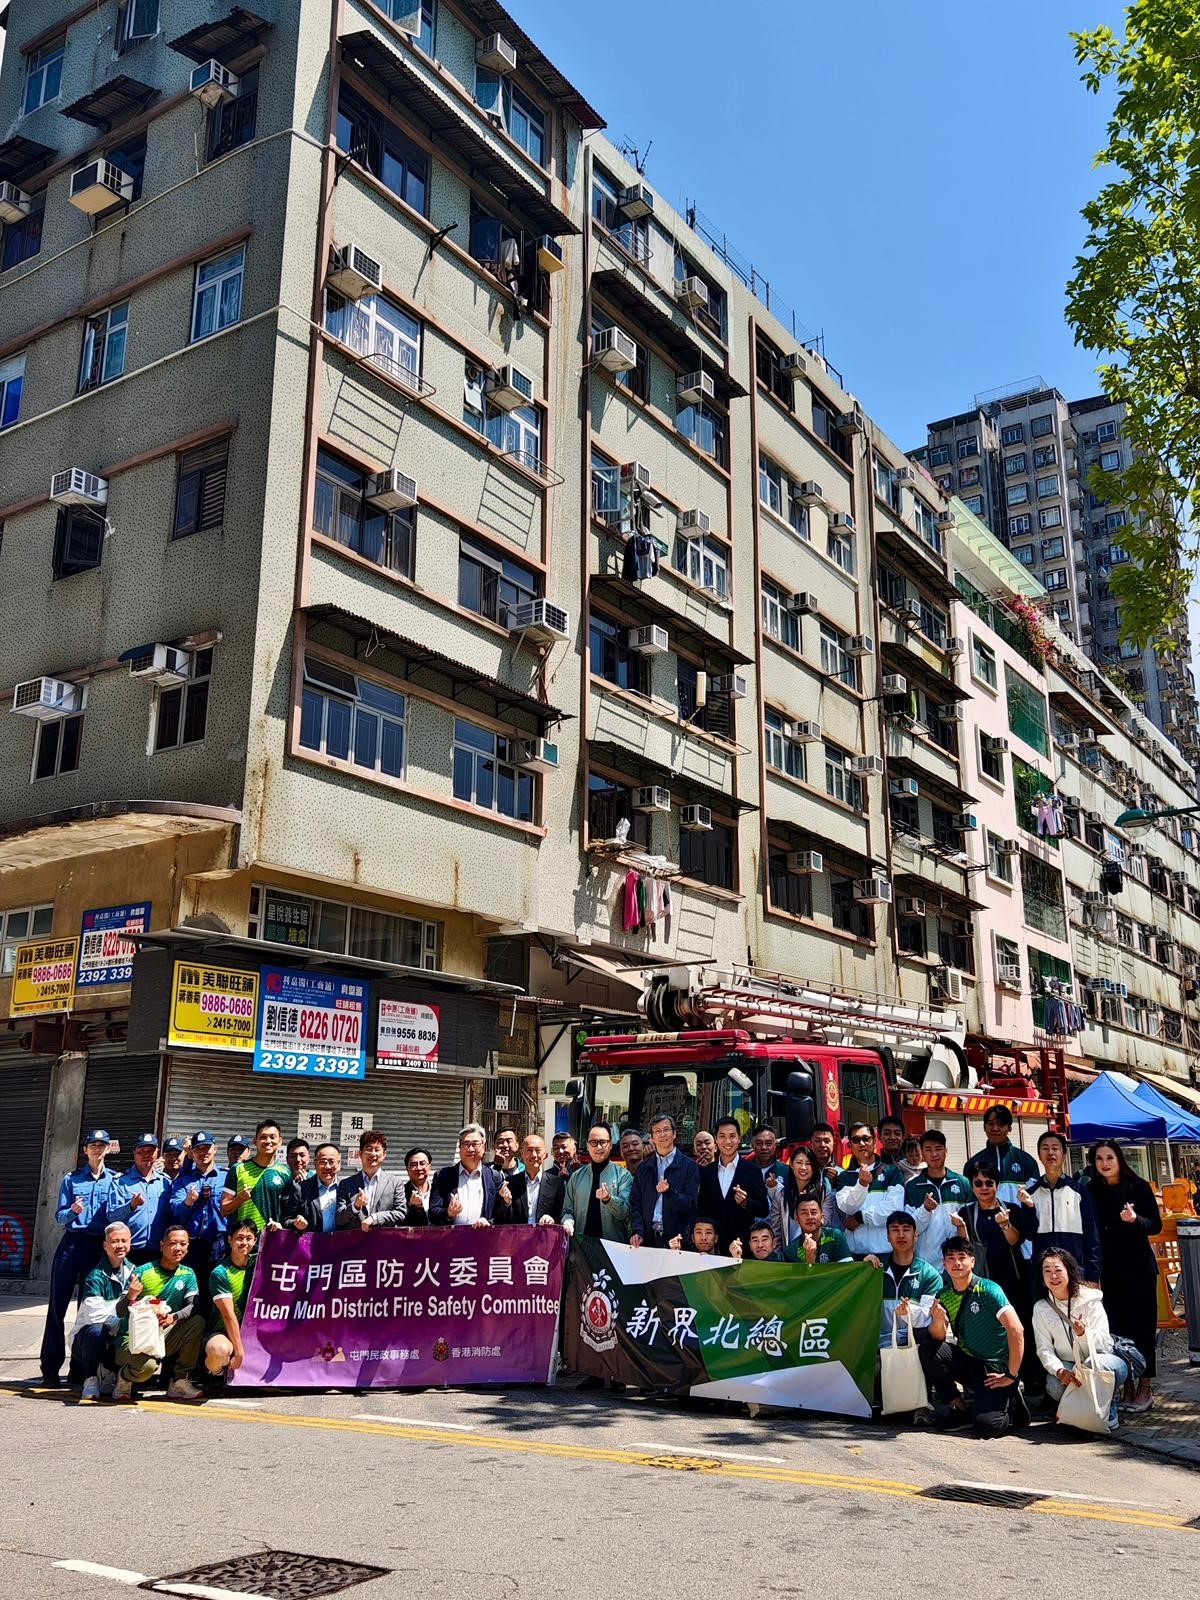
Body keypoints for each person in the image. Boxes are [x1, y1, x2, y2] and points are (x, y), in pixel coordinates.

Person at [917, 1237, 1026, 1436]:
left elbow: (1016, 1330)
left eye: (962, 1257)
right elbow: (937, 1337)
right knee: (927, 1348)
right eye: (951, 1258)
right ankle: (959, 1408)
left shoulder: (988, 1289)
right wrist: (938, 1320)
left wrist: (1011, 1374)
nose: (957, 1263)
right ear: (944, 1263)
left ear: (973, 1261)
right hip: (968, 1361)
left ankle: (1011, 1396)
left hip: (994, 1368)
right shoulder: (943, 1295)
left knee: (988, 1427)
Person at [1087, 1139, 1161, 1413]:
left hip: (1139, 1269)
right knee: (1117, 1330)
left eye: (1109, 1158)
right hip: (1109, 1271)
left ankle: (1145, 1387)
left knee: (1142, 1328)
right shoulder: (1092, 1190)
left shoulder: (1137, 1186)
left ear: (1119, 1159)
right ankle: (1127, 1386)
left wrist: (1134, 1220)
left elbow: (1155, 1224)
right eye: (1099, 1159)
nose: (1105, 1163)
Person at [40, 1127, 114, 1388]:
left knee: (89, 1309)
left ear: (107, 1149)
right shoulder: (71, 1179)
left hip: (96, 1246)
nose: (97, 1149)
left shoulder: (114, 1180)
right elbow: (60, 1217)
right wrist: (72, 1211)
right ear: (85, 1150)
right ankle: (50, 1368)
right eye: (93, 1145)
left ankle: (79, 1368)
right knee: (57, 1307)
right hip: (72, 1244)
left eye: (101, 1145)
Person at [1032, 1247, 1128, 1432]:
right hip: (1069, 1363)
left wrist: (1084, 1334)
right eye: (1047, 1271)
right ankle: (1080, 1412)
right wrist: (1059, 1370)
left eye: (1058, 1270)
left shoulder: (1090, 1299)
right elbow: (1044, 1349)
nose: (1053, 1276)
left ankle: (1108, 1406)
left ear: (1069, 1271)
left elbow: (1105, 1342)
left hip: (1102, 1361)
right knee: (1055, 1385)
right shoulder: (1041, 1308)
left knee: (1091, 1364)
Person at [113, 1224, 205, 1402]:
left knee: (197, 1322)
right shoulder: (142, 1272)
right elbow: (119, 1311)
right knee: (147, 1368)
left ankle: (178, 1381)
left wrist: (174, 1317)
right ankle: (124, 1378)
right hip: (133, 1338)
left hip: (162, 1334)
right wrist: (131, 1295)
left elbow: (192, 1306)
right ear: (162, 1245)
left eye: (183, 1244)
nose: (178, 1248)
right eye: (172, 1243)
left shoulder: (188, 1274)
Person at [1021, 1131, 1102, 1285]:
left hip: (1076, 1272)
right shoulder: (1030, 1194)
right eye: (1045, 1148)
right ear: (1039, 1155)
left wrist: (1093, 1275)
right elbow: (1029, 1234)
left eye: (1055, 1148)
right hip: (1043, 1274)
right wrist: (1029, 1207)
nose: (1050, 1152)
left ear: (1064, 1155)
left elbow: (1092, 1235)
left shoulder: (1080, 1191)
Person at [72, 1222, 136, 1401]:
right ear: (105, 1245)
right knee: (97, 1330)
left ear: (130, 1243)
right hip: (87, 1340)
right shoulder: (95, 1276)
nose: (120, 1245)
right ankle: (90, 1379)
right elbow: (94, 1316)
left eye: (124, 1241)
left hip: (117, 1335)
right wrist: (121, 1320)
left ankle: (118, 1376)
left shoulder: (134, 1272)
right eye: (114, 1241)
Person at [168, 1131, 227, 1312]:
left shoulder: (227, 1176)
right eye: (198, 1149)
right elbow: (174, 1213)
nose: (203, 1153)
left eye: (207, 1148)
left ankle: (212, 1326)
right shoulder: (184, 1181)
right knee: (191, 1291)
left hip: (219, 1243)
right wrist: (188, 1202)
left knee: (217, 1291)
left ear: (215, 1149)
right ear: (191, 1153)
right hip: (192, 1245)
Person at [699, 1117, 769, 1255]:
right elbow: (702, 1210)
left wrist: (746, 1202)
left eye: (732, 1136)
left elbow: (764, 1209)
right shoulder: (707, 1172)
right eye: (722, 1136)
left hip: (742, 1246)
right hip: (713, 1248)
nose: (727, 1141)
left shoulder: (752, 1171)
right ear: (716, 1139)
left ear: (739, 1139)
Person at [832, 1124, 904, 1258]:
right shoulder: (844, 1176)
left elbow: (894, 1210)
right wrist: (861, 1185)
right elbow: (846, 1207)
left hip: (886, 1252)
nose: (862, 1143)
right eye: (856, 1140)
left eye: (866, 1138)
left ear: (874, 1141)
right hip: (855, 1253)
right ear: (850, 1145)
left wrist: (861, 1218)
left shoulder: (892, 1171)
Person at [629, 1114, 699, 1248]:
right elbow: (635, 1204)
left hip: (677, 1240)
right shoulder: (644, 1168)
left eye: (666, 1130)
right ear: (652, 1138)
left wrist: (670, 1192)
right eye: (657, 1131)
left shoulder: (690, 1166)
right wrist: (638, 1231)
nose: (662, 1135)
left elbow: (690, 1204)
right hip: (647, 1239)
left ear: (674, 1134)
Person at [877, 1212, 942, 1348]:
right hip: (877, 1345)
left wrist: (909, 1312)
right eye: (895, 1230)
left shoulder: (929, 1275)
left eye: (906, 1230)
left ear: (915, 1236)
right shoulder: (876, 1270)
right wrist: (864, 1267)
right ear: (888, 1236)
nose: (901, 1235)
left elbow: (928, 1318)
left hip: (914, 1345)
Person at [205, 1219, 258, 1385]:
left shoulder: (260, 1263)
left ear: (255, 1241)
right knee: (219, 1350)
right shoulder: (220, 1273)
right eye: (239, 1238)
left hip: (253, 1331)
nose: (244, 1243)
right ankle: (215, 1373)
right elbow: (228, 1316)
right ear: (230, 1239)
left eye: (249, 1238)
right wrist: (239, 1351)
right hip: (222, 1330)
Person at [905, 1130, 971, 1265]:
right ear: (922, 1154)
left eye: (938, 1149)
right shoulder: (912, 1187)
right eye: (928, 1150)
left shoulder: (962, 1183)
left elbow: (971, 1223)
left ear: (946, 1151)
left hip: (958, 1263)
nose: (934, 1154)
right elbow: (910, 1229)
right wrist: (925, 1210)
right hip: (927, 1264)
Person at [107, 1133, 171, 1265]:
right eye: (141, 1151)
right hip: (130, 1253)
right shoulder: (121, 1182)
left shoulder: (165, 1182)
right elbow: (111, 1216)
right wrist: (130, 1206)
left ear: (157, 1152)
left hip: (158, 1253)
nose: (146, 1155)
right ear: (134, 1152)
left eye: (150, 1151)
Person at [430, 1124, 510, 1225]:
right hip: (452, 1235)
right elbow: (433, 1213)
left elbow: (501, 1216)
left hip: (483, 1234)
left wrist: (489, 1222)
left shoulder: (494, 1177)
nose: (470, 1149)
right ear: (459, 1147)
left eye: (475, 1144)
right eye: (466, 1144)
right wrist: (449, 1213)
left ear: (483, 1147)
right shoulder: (443, 1176)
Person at [562, 1126, 633, 1241]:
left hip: (612, 1245)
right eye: (593, 1142)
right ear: (587, 1146)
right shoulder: (576, 1177)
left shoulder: (623, 1175)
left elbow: (625, 1213)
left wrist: (609, 1199)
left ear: (610, 1145)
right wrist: (567, 1221)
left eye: (603, 1142)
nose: (598, 1147)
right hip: (581, 1244)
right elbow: (567, 1211)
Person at [221, 1120, 292, 1230]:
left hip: (272, 1236)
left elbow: (288, 1213)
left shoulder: (285, 1172)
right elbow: (224, 1210)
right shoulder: (238, 1169)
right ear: (255, 1141)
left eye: (272, 1137)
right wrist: (239, 1199)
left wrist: (281, 1225)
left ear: (280, 1141)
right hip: (244, 1237)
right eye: (263, 1137)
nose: (268, 1141)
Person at [964, 1107, 1039, 1208]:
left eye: (1001, 1124)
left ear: (1009, 1128)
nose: (995, 1128)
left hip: (1018, 1218)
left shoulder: (1027, 1161)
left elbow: (1035, 1200)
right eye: (990, 1124)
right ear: (984, 1127)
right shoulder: (972, 1164)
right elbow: (969, 1204)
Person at [336, 1130, 407, 1230]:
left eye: (377, 1150)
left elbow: (401, 1213)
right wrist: (355, 1207)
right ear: (360, 1154)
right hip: (355, 1239)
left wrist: (375, 1218)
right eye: (369, 1149)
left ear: (384, 1154)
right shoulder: (346, 1184)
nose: (373, 1154)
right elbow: (339, 1219)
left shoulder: (395, 1183)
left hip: (384, 1239)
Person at [771, 1145, 835, 1249]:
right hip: (790, 1253)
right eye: (799, 1163)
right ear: (791, 1164)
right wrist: (780, 1255)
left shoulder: (823, 1192)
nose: (803, 1167)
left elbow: (826, 1224)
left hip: (817, 1251)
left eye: (808, 1164)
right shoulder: (781, 1195)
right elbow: (775, 1231)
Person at [283, 1142, 341, 1233]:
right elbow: (287, 1221)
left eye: (331, 1162)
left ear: (339, 1164)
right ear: (315, 1164)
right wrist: (296, 1223)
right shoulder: (300, 1189)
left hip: (341, 1241)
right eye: (323, 1162)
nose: (327, 1166)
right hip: (311, 1241)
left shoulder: (346, 1187)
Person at [508, 1134, 565, 1223]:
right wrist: (506, 1203)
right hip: (519, 1232)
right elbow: (502, 1218)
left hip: (544, 1231)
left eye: (538, 1150)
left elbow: (561, 1215)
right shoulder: (511, 1183)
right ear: (522, 1154)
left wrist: (552, 1219)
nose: (534, 1155)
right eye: (529, 1150)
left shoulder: (556, 1184)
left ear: (545, 1154)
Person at [781, 1196, 854, 1265]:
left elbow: (847, 1270)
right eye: (804, 1213)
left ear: (822, 1217)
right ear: (797, 1219)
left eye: (813, 1212)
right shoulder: (792, 1250)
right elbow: (802, 1275)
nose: (810, 1217)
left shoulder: (835, 1236)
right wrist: (809, 1257)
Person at [750, 1125, 789, 1191]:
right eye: (759, 1143)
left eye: (768, 1143)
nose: (764, 1147)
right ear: (753, 1145)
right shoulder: (743, 1170)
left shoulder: (786, 1171)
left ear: (775, 1145)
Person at [402, 1147, 434, 1226]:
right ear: (407, 1170)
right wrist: (412, 1207)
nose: (419, 1168)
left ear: (430, 1167)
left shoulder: (439, 1190)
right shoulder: (400, 1193)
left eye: (422, 1164)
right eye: (414, 1165)